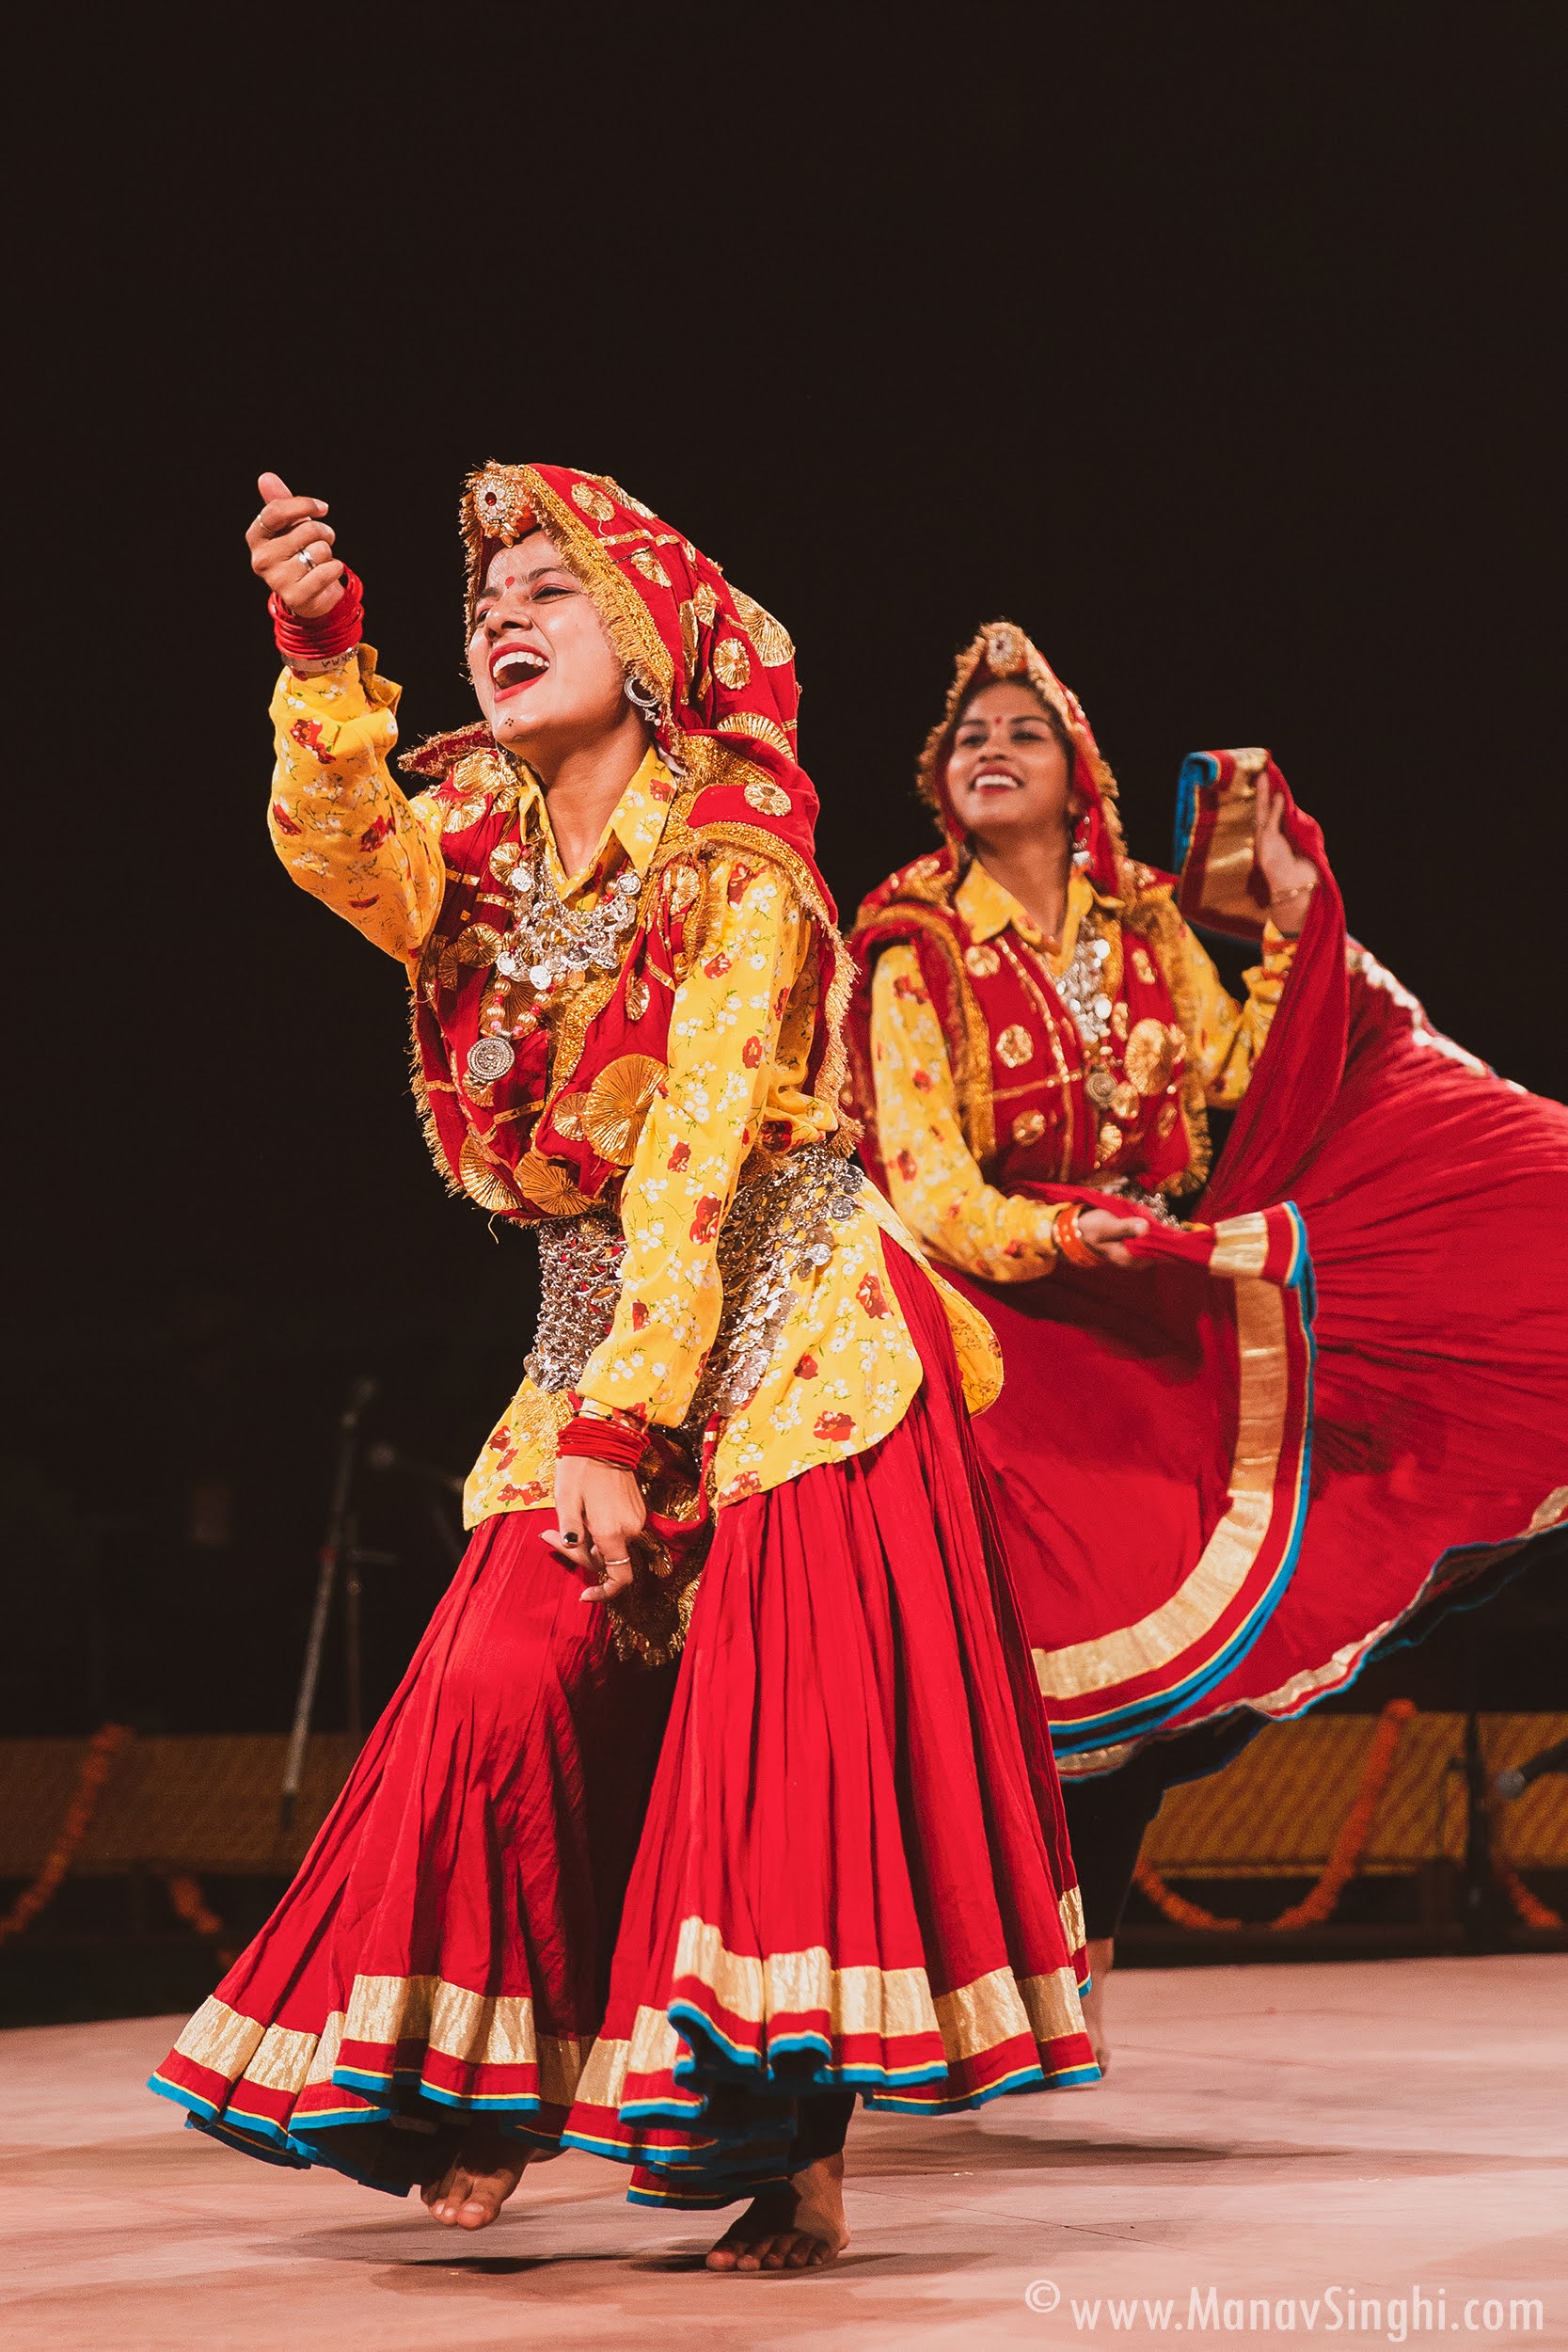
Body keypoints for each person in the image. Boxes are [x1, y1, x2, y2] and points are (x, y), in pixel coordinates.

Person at [151, 482, 1097, 2273]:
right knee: (502, 1686)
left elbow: (697, 1160)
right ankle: (481, 2092)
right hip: (605, 1314)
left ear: (652, 636)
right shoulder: (479, 836)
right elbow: (343, 852)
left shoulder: (738, 857)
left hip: (792, 1325)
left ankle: (791, 2157)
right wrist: (321, 647)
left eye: (548, 592)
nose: (500, 617)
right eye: (482, 597)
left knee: (768, 1739)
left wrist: (614, 1427)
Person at [846, 620, 1568, 2062]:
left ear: (1079, 779)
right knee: (998, 1671)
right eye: (969, 737)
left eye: (1023, 733)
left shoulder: (1146, 926)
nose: (992, 750)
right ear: (939, 781)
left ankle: (1059, 1963)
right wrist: (1062, 1240)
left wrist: (1299, 920)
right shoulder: (907, 941)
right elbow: (926, 1185)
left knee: (1197, 1689)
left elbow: (1252, 1065)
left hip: (1147, 1297)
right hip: (987, 1318)